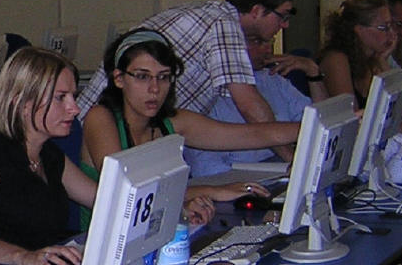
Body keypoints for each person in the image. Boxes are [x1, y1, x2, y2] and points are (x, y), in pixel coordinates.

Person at [81, 30, 303, 225]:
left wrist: (310, 126)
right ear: (119, 79)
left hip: (156, 231)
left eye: (163, 77)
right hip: (105, 242)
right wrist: (211, 191)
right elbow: (128, 192)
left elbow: (252, 135)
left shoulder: (173, 121)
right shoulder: (100, 118)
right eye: (142, 77)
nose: (154, 89)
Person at [76, 0, 298, 142]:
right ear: (257, 11)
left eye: (164, 77)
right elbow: (250, 107)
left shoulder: (207, 14)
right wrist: (292, 158)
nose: (285, 25)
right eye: (283, 16)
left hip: (133, 132)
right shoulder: (223, 24)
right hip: (108, 134)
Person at [0, 47, 96, 265]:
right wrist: (23, 257)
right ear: (23, 102)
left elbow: (102, 199)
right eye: (61, 97)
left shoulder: (48, 153)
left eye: (73, 96)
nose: (75, 108)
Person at [185, 32, 328, 178]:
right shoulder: (205, 97)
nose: (268, 49)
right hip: (240, 179)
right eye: (257, 42)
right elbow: (206, 170)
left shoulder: (272, 79)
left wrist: (313, 73)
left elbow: (323, 123)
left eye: (269, 41)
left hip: (282, 172)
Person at [318, 0, 402, 116]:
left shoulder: (375, 59)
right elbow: (351, 115)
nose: (392, 34)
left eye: (391, 26)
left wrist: (383, 63)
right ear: (359, 30)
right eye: (383, 28)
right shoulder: (336, 59)